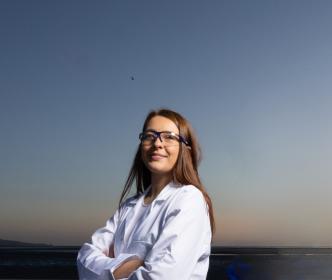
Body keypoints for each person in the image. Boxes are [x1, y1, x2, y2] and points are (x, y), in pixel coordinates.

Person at [77, 108, 215, 280]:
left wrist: (106, 267)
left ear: (185, 148)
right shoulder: (128, 207)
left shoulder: (189, 199)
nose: (157, 143)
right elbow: (84, 259)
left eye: (169, 137)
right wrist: (124, 267)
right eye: (149, 136)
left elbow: (162, 277)